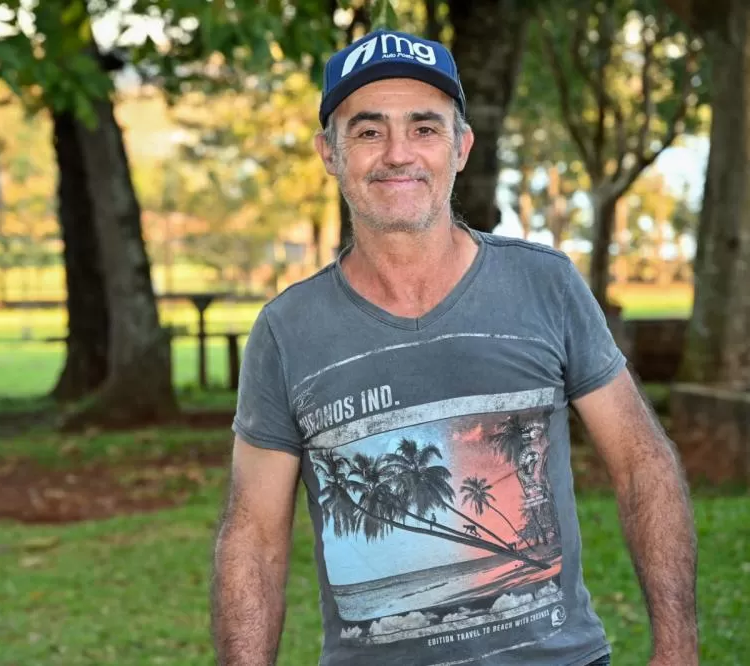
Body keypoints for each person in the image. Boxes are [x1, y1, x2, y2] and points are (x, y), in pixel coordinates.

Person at [210, 28, 698, 666]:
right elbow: (254, 538)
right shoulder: (286, 330)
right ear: (329, 153)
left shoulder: (544, 284)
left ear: (460, 147)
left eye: (424, 128)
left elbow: (641, 461)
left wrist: (678, 649)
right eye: (366, 131)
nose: (396, 153)